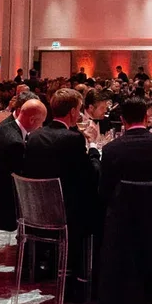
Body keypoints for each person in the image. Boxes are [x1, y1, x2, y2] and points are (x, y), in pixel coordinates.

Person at [22, 88, 101, 264]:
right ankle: (84, 266)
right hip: (64, 213)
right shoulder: (72, 140)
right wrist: (94, 146)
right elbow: (91, 174)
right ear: (73, 112)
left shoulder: (34, 136)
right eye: (79, 109)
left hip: (35, 210)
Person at [99, 98, 152, 204]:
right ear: (146, 117)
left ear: (122, 120)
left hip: (124, 214)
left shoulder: (110, 149)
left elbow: (105, 191)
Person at [0, 95, 45, 232]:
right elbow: (22, 178)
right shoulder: (15, 142)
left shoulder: (6, 127)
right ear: (32, 120)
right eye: (41, 123)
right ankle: (33, 246)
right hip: (3, 203)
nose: (41, 127)